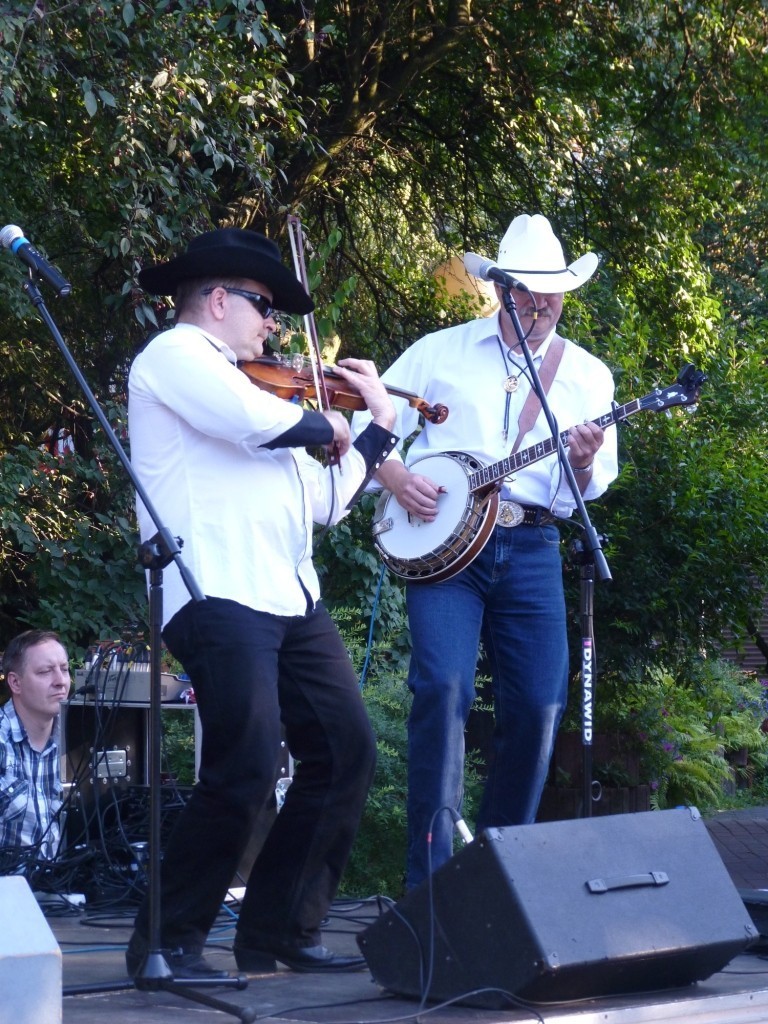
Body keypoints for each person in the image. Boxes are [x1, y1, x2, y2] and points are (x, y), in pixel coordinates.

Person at [125, 227, 397, 980]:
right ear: (216, 300)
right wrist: (328, 421)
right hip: (214, 587)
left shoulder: (258, 392)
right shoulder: (177, 357)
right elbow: (249, 422)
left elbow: (327, 503)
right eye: (262, 308)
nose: (273, 327)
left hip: (286, 596)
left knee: (346, 751)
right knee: (244, 766)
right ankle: (166, 940)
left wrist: (375, 430)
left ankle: (280, 930)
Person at [352, 213, 619, 889]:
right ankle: (432, 889)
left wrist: (582, 463)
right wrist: (393, 477)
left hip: (531, 544)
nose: (541, 302)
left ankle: (497, 881)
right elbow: (366, 419)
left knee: (538, 706)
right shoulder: (439, 353)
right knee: (442, 689)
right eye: (527, 288)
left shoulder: (587, 376)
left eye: (552, 290)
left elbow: (587, 486)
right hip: (445, 551)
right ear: (500, 289)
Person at [0, 630, 70, 862]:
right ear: (15, 683)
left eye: (65, 669)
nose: (60, 681)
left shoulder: (79, 741)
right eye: (45, 671)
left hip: (68, 888)